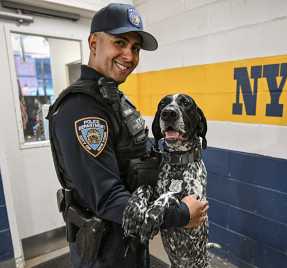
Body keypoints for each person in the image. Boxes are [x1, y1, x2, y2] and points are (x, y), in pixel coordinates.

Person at [46, 3, 208, 268]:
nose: (129, 56)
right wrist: (181, 214)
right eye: (120, 42)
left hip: (129, 241)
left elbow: (138, 164)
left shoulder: (114, 99)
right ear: (94, 43)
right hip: (105, 252)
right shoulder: (82, 109)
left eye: (135, 48)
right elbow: (109, 199)